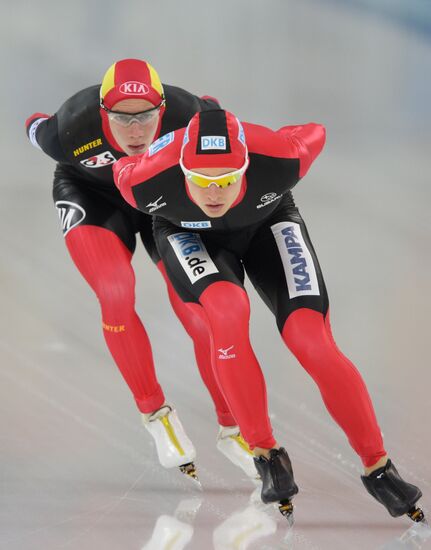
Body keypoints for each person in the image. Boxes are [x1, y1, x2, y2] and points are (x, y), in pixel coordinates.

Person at [113, 108, 425, 521]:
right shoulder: (142, 180)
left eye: (226, 179)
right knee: (226, 311)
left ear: (247, 165)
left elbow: (316, 130)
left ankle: (379, 467)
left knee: (310, 339)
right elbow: (118, 164)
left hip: (268, 224)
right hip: (186, 233)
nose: (213, 194)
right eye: (200, 181)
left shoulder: (282, 157)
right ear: (180, 170)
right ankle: (266, 454)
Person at [25, 59, 256, 482]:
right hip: (94, 198)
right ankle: (154, 414)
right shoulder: (69, 130)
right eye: (121, 118)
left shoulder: (191, 116)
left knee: (200, 313)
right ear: (102, 115)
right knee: (115, 291)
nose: (135, 130)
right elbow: (34, 123)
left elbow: (219, 117)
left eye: (146, 117)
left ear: (163, 109)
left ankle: (233, 425)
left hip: (158, 202)